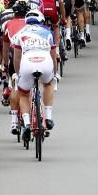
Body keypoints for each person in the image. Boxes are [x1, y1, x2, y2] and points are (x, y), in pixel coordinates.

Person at [12, 10, 57, 142]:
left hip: (27, 62)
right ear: (41, 20)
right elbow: (54, 56)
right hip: (45, 61)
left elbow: (16, 57)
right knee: (48, 84)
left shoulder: (20, 33)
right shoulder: (48, 31)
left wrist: (18, 73)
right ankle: (48, 118)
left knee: (24, 94)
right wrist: (54, 72)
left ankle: (26, 123)